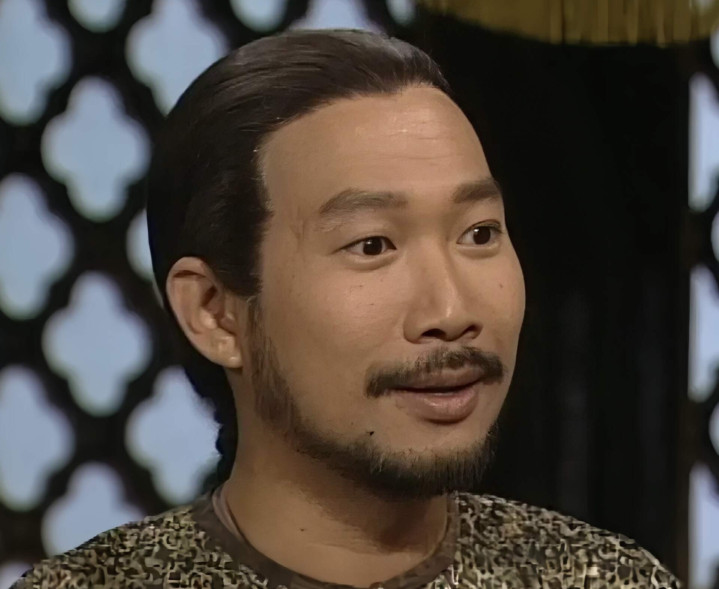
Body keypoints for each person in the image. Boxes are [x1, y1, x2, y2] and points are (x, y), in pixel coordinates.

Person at [14, 29, 679, 588]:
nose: (451, 310)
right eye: (372, 245)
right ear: (215, 312)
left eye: (479, 234)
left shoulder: (603, 578)